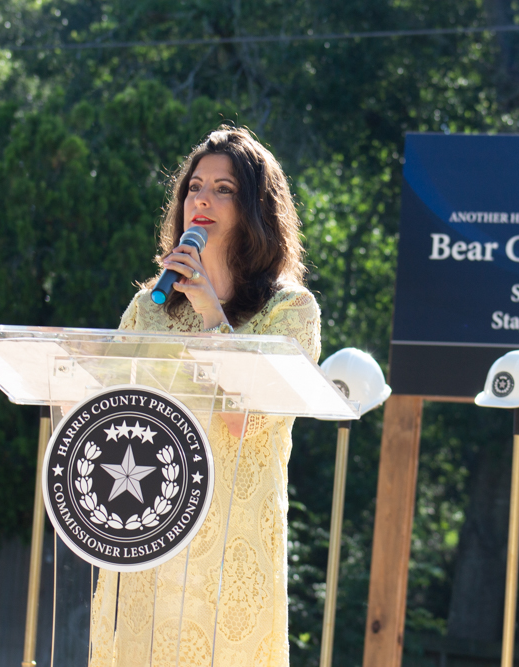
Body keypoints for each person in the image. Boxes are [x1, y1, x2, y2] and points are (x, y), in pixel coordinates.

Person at [89, 126, 320, 667]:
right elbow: (109, 413)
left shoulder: (290, 312)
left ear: (256, 207)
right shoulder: (149, 308)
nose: (203, 199)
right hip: (147, 534)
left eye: (224, 189)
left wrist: (212, 312)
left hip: (230, 553)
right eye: (195, 186)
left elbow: (249, 425)